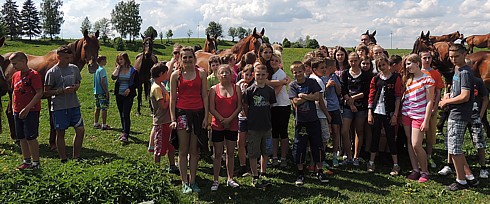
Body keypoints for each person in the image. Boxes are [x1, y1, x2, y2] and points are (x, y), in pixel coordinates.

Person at [439, 44, 479, 190]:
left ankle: (461, 181)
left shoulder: (466, 72)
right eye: (451, 56)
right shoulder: (458, 69)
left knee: (455, 149)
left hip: (460, 114)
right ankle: (469, 176)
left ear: (464, 55)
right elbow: (457, 90)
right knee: (454, 146)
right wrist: (449, 94)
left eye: (456, 56)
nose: (453, 59)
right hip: (454, 112)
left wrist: (446, 101)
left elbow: (465, 96)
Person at [169, 46, 208, 194]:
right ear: (180, 59)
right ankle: (184, 181)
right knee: (183, 149)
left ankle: (193, 180)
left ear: (194, 57)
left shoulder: (202, 74)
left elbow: (204, 95)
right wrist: (173, 118)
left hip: (198, 114)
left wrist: (206, 116)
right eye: (184, 57)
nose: (187, 59)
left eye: (190, 57)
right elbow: (172, 99)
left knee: (194, 150)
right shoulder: (175, 75)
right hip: (182, 114)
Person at [438, 76, 489, 179]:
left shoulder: (477, 81)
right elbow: (449, 93)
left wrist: (481, 114)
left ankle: (483, 167)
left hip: (474, 115)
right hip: (459, 115)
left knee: (479, 141)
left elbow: (485, 98)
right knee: (453, 140)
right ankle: (449, 165)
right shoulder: (456, 79)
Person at [288, 61, 329, 185]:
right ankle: (300, 173)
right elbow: (295, 102)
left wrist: (303, 96)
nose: (298, 74)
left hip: (313, 119)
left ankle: (320, 170)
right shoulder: (292, 85)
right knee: (300, 146)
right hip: (300, 121)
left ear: (304, 71)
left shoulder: (312, 82)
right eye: (295, 72)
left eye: (300, 71)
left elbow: (317, 97)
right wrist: (307, 96)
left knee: (317, 145)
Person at [44, 46, 85, 163]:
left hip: (74, 105)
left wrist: (76, 87)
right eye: (66, 58)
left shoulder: (74, 69)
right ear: (58, 57)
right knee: (60, 133)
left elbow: (78, 82)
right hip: (59, 107)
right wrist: (61, 91)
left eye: (70, 58)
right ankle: (63, 158)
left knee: (80, 130)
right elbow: (46, 92)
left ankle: (76, 156)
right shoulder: (51, 73)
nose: (69, 60)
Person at [401, 54, 434, 183]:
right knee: (409, 142)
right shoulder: (408, 79)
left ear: (417, 63)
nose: (407, 67)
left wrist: (426, 120)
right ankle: (415, 169)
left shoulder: (428, 79)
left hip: (419, 115)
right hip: (406, 113)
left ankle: (425, 171)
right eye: (406, 65)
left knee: (416, 144)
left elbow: (430, 101)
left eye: (409, 64)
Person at [367, 55, 402, 175]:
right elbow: (371, 96)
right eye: (379, 66)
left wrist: (395, 114)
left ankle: (396, 165)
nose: (382, 67)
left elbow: (398, 97)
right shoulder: (376, 78)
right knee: (375, 137)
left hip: (390, 112)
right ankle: (371, 162)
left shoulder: (396, 78)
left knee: (391, 137)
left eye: (383, 64)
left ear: (388, 64)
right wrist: (370, 112)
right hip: (377, 111)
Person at [209, 65, 242, 191]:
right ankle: (216, 180)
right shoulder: (213, 89)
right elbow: (212, 108)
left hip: (232, 124)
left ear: (231, 74)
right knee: (217, 153)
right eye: (221, 73)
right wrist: (223, 120)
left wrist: (229, 119)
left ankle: (230, 178)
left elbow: (239, 106)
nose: (224, 75)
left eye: (226, 72)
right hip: (218, 125)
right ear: (218, 75)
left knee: (230, 152)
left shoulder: (236, 88)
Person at [243, 64, 275, 188]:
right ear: (253, 75)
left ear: (266, 75)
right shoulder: (249, 91)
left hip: (267, 126)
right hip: (253, 126)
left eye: (263, 75)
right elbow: (246, 107)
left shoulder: (270, 90)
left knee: (265, 151)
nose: (260, 77)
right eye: (258, 75)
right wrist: (250, 118)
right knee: (253, 152)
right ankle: (255, 176)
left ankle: (263, 171)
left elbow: (271, 106)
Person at [10, 52, 43, 169]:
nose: (13, 66)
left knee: (31, 137)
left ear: (23, 62)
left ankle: (36, 162)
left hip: (31, 110)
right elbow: (14, 91)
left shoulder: (34, 75)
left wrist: (28, 107)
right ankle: (26, 161)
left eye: (15, 64)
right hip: (17, 110)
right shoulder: (15, 76)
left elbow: (39, 93)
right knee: (21, 137)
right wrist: (14, 107)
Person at [340, 52, 371, 166]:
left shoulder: (366, 75)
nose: (353, 63)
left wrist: (354, 98)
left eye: (355, 61)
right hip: (348, 105)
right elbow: (343, 89)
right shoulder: (344, 73)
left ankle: (356, 157)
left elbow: (366, 91)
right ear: (348, 61)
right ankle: (348, 155)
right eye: (351, 61)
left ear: (359, 60)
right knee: (344, 131)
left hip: (361, 106)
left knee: (359, 131)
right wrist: (350, 102)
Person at [149, 62, 178, 174]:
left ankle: (172, 165)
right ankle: (156, 169)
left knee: (170, 145)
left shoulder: (161, 85)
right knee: (159, 146)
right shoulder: (156, 88)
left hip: (168, 120)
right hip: (161, 121)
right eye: (166, 73)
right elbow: (163, 105)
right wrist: (172, 99)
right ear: (161, 73)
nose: (167, 75)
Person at [419, 50, 444, 169]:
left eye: (429, 58)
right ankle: (419, 156)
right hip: (418, 108)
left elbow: (438, 91)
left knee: (430, 134)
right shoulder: (417, 72)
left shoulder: (435, 73)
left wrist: (435, 106)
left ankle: (429, 155)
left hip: (431, 108)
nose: (427, 60)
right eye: (425, 58)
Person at [269, 52, 291, 168]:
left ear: (280, 63)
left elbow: (277, 91)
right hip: (274, 106)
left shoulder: (280, 74)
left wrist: (268, 102)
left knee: (282, 132)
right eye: (272, 60)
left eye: (276, 61)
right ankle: (274, 156)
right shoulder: (271, 73)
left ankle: (283, 157)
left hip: (282, 105)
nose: (273, 62)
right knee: (274, 132)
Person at [308, 58, 331, 168]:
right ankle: (319, 161)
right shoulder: (318, 81)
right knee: (324, 138)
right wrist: (327, 115)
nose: (324, 70)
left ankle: (315, 161)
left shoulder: (312, 78)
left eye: (325, 67)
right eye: (322, 68)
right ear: (314, 69)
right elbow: (320, 100)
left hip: (314, 113)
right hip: (320, 114)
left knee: (316, 138)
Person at [112, 52, 139, 142]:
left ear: (126, 59)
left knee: (125, 113)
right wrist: (118, 67)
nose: (120, 61)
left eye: (121, 59)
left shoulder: (133, 71)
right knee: (121, 113)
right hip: (119, 94)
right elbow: (113, 77)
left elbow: (137, 83)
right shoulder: (118, 69)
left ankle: (125, 134)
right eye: (118, 59)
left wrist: (130, 89)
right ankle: (124, 130)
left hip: (128, 95)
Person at [322, 59, 342, 167]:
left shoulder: (334, 77)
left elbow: (339, 92)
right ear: (330, 67)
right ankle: (323, 156)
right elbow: (319, 93)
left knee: (336, 131)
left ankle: (335, 156)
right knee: (325, 133)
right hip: (325, 108)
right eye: (335, 66)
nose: (336, 68)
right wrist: (327, 86)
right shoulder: (321, 78)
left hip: (335, 108)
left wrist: (335, 85)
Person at [236, 64, 254, 176]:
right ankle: (242, 165)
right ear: (242, 74)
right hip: (241, 116)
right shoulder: (239, 85)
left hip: (253, 117)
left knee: (252, 141)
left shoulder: (255, 85)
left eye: (250, 75)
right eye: (246, 74)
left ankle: (253, 165)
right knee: (240, 141)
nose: (248, 77)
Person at [93, 55, 110, 130]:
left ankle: (96, 123)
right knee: (104, 108)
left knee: (97, 107)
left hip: (96, 92)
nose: (106, 62)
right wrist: (106, 92)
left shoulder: (96, 69)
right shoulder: (102, 70)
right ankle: (104, 124)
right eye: (105, 60)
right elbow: (102, 82)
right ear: (102, 61)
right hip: (102, 92)